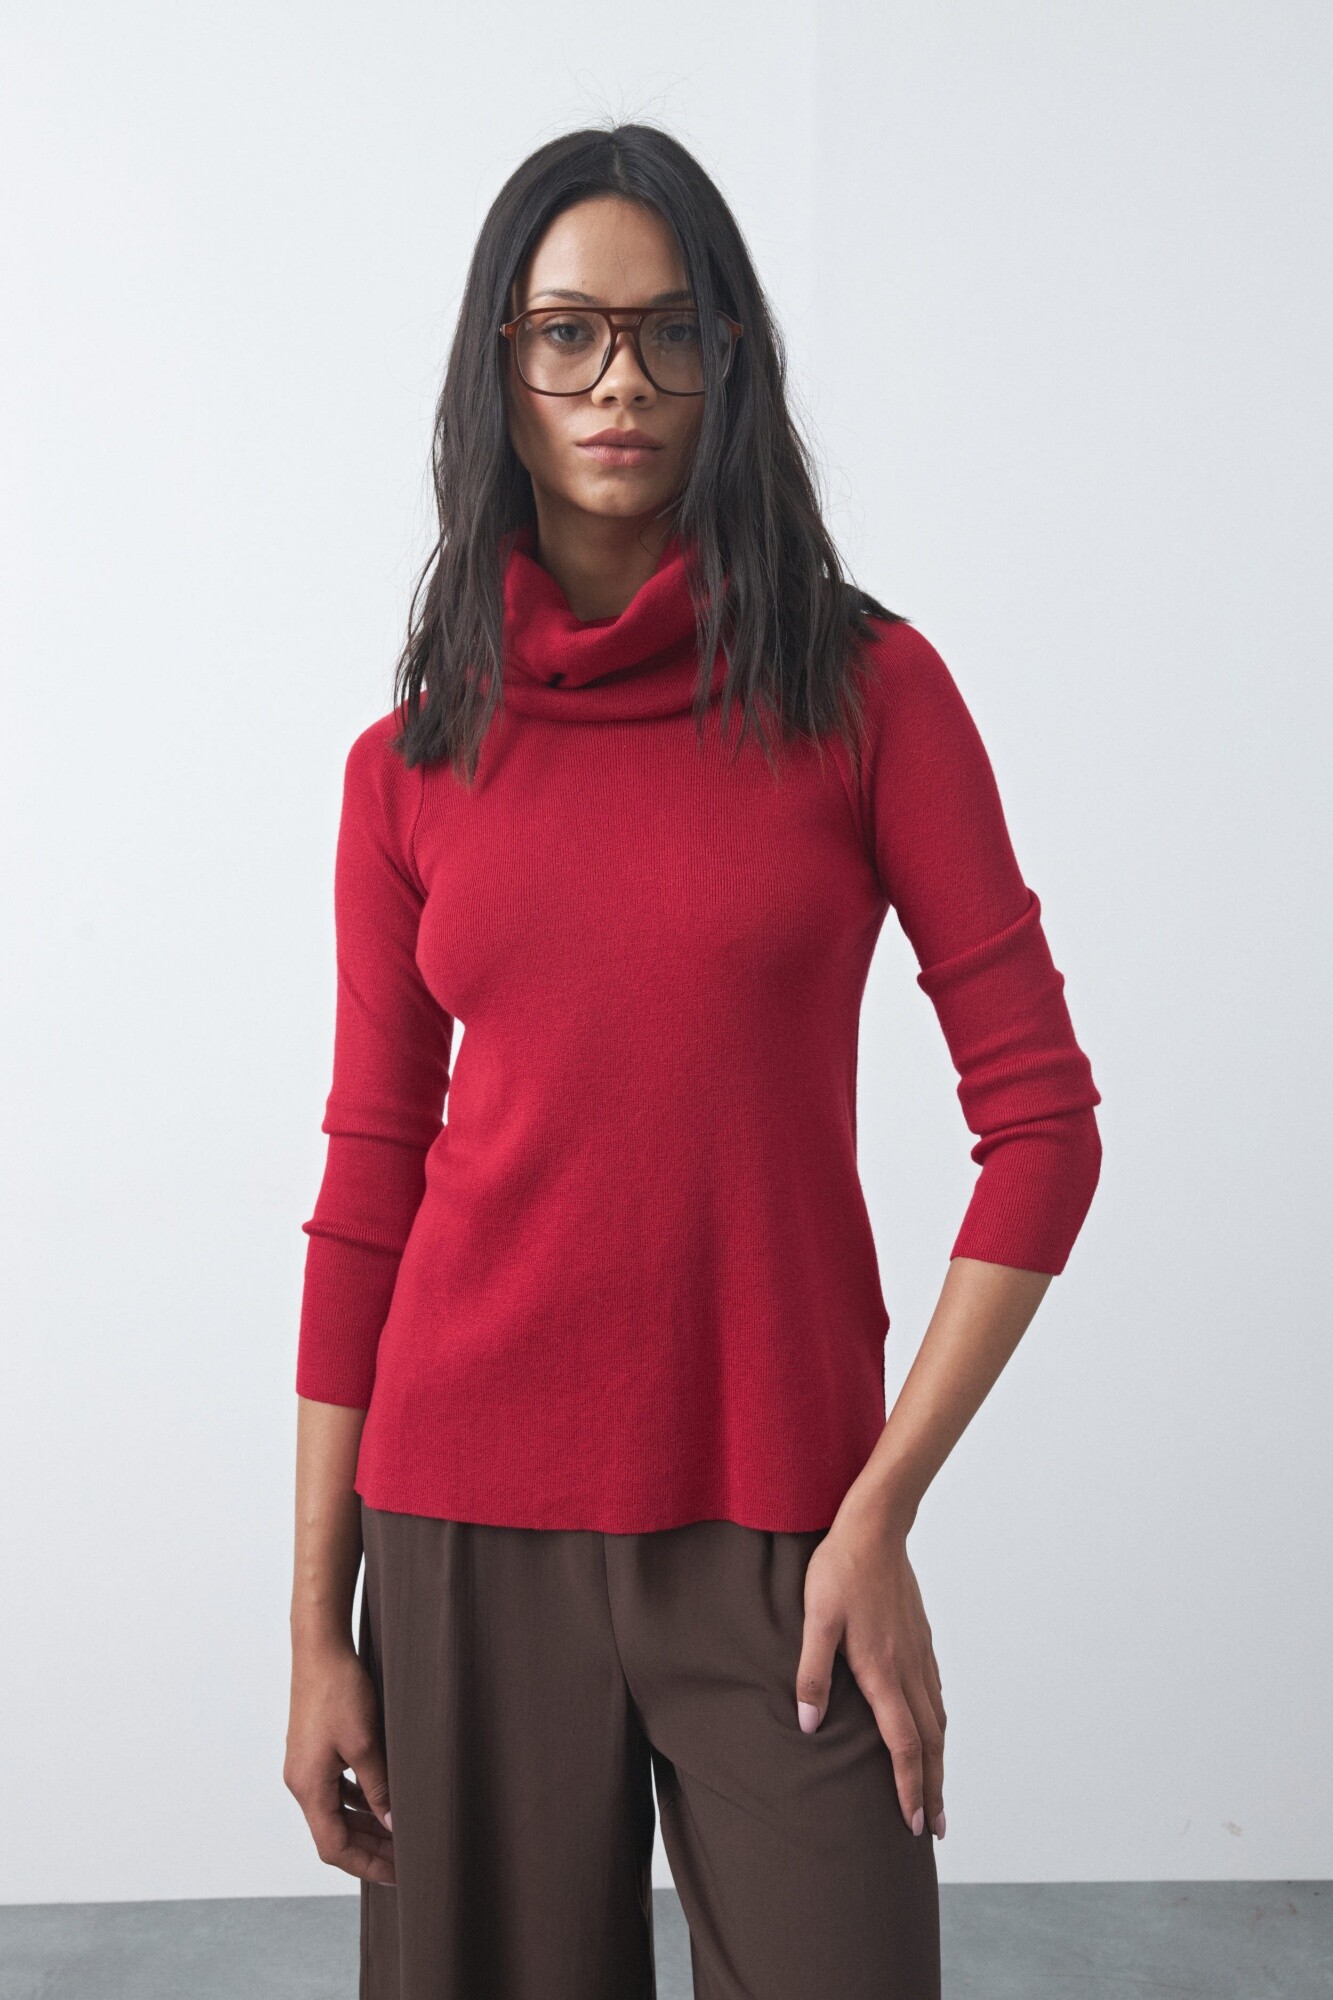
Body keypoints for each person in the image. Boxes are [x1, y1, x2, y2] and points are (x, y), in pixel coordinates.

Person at [282, 122, 1102, 2000]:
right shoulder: (405, 769)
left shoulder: (865, 694)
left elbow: (1043, 1127)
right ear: (499, 365)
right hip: (459, 1520)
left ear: (729, 359)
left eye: (669, 332)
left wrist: (877, 1509)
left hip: (782, 1521)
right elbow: (366, 1192)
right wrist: (317, 1624)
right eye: (567, 333)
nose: (620, 383)